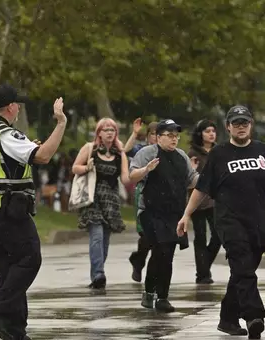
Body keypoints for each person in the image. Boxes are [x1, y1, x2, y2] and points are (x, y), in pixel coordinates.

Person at [177, 105, 265, 339]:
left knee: (243, 269)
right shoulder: (219, 154)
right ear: (228, 127)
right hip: (229, 220)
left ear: (251, 124)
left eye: (244, 122)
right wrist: (186, 214)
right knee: (243, 266)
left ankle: (227, 318)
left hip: (257, 220)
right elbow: (202, 187)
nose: (240, 127)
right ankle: (254, 315)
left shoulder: (263, 150)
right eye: (236, 123)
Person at [0, 83, 67, 340]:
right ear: (11, 107)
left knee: (9, 270)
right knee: (29, 258)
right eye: (18, 104)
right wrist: (60, 124)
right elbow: (44, 156)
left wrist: (25, 149)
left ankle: (14, 329)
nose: (19, 108)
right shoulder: (6, 134)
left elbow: (2, 162)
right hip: (9, 211)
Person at [129, 119, 198, 313]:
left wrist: (209, 178)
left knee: (166, 254)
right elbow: (132, 176)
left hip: (174, 214)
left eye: (176, 136)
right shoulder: (147, 153)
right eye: (169, 135)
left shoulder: (181, 156)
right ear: (158, 137)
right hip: (150, 211)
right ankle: (155, 294)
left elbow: (192, 181)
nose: (174, 139)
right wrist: (146, 170)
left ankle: (160, 295)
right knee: (161, 250)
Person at [71, 118, 130, 289]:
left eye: (112, 129)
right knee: (96, 235)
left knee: (104, 239)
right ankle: (98, 274)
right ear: (99, 133)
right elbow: (75, 167)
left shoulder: (120, 155)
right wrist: (87, 168)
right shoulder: (90, 149)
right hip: (92, 198)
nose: (109, 132)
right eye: (106, 130)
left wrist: (143, 171)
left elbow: (126, 179)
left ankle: (97, 273)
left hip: (110, 200)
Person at [187, 119, 221, 284]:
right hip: (198, 201)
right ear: (200, 133)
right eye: (207, 131)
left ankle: (203, 266)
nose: (211, 134)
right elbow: (186, 178)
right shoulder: (192, 153)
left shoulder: (220, 151)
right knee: (200, 236)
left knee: (218, 235)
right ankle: (203, 274)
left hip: (216, 200)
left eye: (213, 131)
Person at [128, 122, 158, 282]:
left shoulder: (167, 152)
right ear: (148, 136)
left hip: (162, 196)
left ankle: (152, 274)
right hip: (143, 193)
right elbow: (125, 150)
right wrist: (134, 133)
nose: (155, 137)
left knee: (158, 236)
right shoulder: (141, 150)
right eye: (152, 134)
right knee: (146, 234)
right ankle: (138, 260)